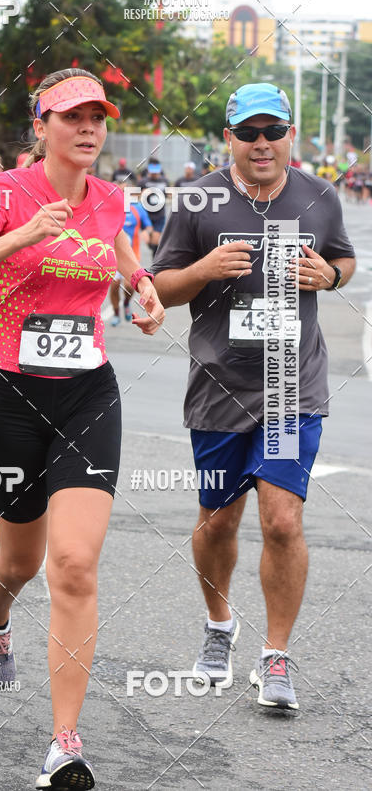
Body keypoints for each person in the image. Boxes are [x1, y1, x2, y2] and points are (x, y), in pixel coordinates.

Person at [0, 67, 164, 789]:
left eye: (97, 116)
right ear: (41, 126)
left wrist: (145, 291)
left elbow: (128, 267)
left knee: (73, 563)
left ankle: (65, 742)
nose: (89, 127)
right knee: (22, 562)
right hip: (8, 394)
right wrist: (25, 232)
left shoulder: (111, 199)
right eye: (72, 116)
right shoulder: (5, 193)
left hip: (88, 392)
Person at [153, 82, 356, 711]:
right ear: (229, 138)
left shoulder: (319, 195)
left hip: (291, 386)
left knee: (282, 518)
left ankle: (276, 656)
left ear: (291, 134)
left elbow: (344, 260)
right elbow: (161, 287)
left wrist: (331, 274)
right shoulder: (197, 200)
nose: (262, 144)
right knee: (218, 521)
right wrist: (203, 272)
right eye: (249, 133)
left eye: (274, 131)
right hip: (219, 387)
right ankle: (220, 626)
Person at [109, 198, 152, 325]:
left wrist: (146, 231)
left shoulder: (137, 208)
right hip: (113, 254)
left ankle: (127, 302)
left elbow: (148, 225)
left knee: (129, 286)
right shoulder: (110, 205)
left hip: (132, 254)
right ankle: (116, 314)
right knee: (114, 286)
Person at [139, 158, 168, 260]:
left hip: (159, 215)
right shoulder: (143, 182)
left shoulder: (164, 181)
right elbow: (136, 196)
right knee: (149, 242)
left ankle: (155, 264)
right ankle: (153, 252)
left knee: (156, 241)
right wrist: (144, 193)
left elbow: (167, 196)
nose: (155, 174)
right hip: (146, 215)